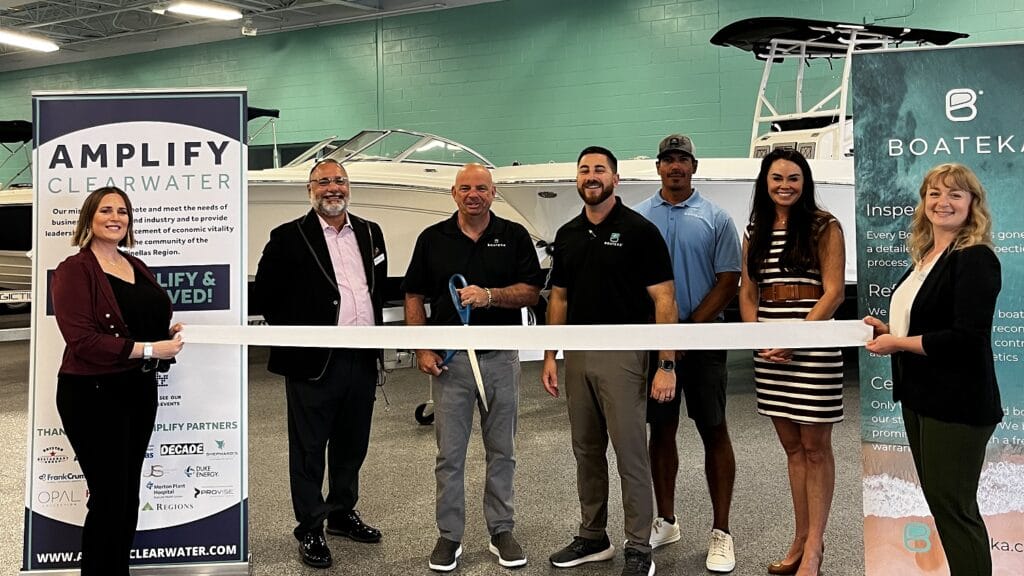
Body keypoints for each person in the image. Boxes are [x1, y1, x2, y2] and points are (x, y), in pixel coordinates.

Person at [543, 146, 678, 576]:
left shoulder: (641, 231)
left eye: (599, 169)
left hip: (625, 354)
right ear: (578, 179)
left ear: (615, 179)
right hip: (578, 355)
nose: (591, 176)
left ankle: (639, 546)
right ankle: (592, 535)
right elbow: (559, 299)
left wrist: (666, 363)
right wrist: (550, 354)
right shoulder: (566, 234)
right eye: (584, 170)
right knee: (585, 449)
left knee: (630, 452)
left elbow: (665, 299)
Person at [404, 163, 543, 572]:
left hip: (500, 360)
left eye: (481, 188)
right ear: (453, 193)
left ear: (493, 193)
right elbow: (414, 296)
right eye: (465, 188)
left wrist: (490, 296)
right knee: (450, 455)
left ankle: (501, 530)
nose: (473, 194)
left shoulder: (513, 236)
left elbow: (532, 292)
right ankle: (449, 537)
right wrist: (421, 348)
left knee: (503, 451)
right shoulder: (432, 239)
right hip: (452, 364)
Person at [864, 163, 1001, 576]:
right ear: (924, 202)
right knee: (944, 505)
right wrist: (892, 332)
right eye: (935, 194)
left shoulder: (975, 257)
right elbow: (930, 325)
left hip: (957, 405)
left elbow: (966, 338)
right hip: (922, 398)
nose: (943, 202)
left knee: (955, 510)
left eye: (955, 194)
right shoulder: (927, 256)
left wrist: (898, 344)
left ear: (972, 204)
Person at [254, 158, 388, 569]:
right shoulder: (287, 237)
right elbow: (265, 296)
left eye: (340, 181)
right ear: (309, 190)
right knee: (309, 449)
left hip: (362, 358)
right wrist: (301, 337)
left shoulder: (370, 232)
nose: (333, 188)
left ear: (349, 187)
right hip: (313, 362)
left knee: (353, 443)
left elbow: (375, 288)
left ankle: (343, 513)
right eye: (324, 181)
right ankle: (310, 525)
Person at [51, 186, 184, 576]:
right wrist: (148, 349)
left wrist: (164, 333)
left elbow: (139, 322)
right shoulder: (73, 270)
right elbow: (82, 340)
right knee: (109, 497)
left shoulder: (135, 263)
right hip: (91, 394)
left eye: (122, 211)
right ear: (89, 219)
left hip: (137, 390)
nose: (116, 217)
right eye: (106, 210)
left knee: (127, 496)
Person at [634, 134, 741, 572]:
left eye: (683, 160)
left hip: (704, 339)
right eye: (668, 160)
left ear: (694, 167)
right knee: (660, 431)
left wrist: (688, 332)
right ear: (658, 168)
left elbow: (729, 278)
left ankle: (721, 532)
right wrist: (666, 339)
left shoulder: (716, 217)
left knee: (714, 428)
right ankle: (667, 519)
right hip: (656, 342)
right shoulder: (638, 217)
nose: (675, 166)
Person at [737, 149, 845, 576]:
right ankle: (799, 538)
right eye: (777, 177)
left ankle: (815, 547)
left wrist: (796, 338)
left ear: (806, 182)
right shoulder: (754, 230)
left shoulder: (824, 225)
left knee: (816, 449)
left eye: (794, 178)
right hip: (770, 350)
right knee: (792, 449)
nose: (785, 185)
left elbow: (833, 292)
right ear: (765, 182)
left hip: (812, 347)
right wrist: (760, 336)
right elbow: (748, 292)